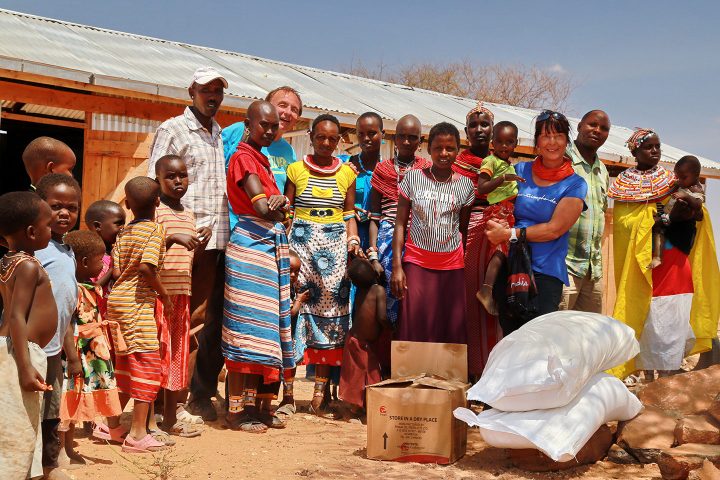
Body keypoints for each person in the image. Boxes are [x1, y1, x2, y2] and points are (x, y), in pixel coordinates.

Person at [148, 66, 229, 421]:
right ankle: (150, 396)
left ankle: (179, 399)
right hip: (179, 237)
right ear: (191, 92)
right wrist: (172, 228)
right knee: (166, 313)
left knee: (197, 317)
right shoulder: (173, 128)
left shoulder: (219, 133)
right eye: (206, 89)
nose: (213, 96)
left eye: (218, 91)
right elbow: (155, 181)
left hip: (212, 240)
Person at [609, 130, 719, 382]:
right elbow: (626, 226)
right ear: (635, 151)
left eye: (658, 146)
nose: (655, 151)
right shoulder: (624, 188)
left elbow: (699, 215)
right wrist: (656, 220)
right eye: (649, 147)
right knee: (645, 321)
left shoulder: (675, 181)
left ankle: (667, 381)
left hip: (674, 266)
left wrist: (683, 215)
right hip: (642, 269)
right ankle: (646, 379)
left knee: (671, 322)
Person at [222, 87, 302, 413]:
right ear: (247, 124)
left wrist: (280, 206)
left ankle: (259, 407)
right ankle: (238, 411)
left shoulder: (262, 160)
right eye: (263, 125)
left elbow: (279, 209)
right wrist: (280, 205)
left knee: (265, 329)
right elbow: (265, 209)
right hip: (250, 249)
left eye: (273, 127)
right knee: (246, 329)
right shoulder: (243, 158)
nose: (269, 131)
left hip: (267, 248)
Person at [286, 113, 360, 416]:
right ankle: (286, 397)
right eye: (321, 137)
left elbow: (348, 214)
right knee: (293, 315)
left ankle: (319, 395)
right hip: (300, 251)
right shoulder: (295, 170)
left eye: (333, 138)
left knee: (332, 320)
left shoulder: (347, 174)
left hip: (334, 253)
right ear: (311, 135)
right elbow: (288, 214)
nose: (327, 143)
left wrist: (353, 242)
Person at [486, 110, 587, 326]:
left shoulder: (575, 184)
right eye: (545, 136)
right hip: (511, 269)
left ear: (566, 141)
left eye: (558, 136)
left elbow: (554, 229)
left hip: (545, 275)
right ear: (537, 141)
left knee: (537, 345)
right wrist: (498, 222)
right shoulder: (519, 170)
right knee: (510, 341)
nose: (552, 142)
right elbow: (500, 203)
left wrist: (509, 233)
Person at [391, 122, 475, 344]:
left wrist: (458, 259)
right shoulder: (412, 178)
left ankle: (446, 376)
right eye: (438, 148)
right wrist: (397, 267)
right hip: (416, 261)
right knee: (414, 321)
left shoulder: (466, 186)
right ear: (429, 149)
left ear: (458, 150)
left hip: (451, 265)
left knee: (449, 323)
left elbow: (462, 230)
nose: (444, 154)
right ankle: (411, 375)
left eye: (450, 148)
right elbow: (400, 224)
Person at [107, 176, 170, 453]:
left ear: (128, 204)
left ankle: (110, 425)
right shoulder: (155, 231)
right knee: (146, 363)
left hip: (117, 301)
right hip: (137, 304)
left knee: (124, 362)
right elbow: (146, 268)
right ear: (158, 201)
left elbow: (118, 272)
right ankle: (136, 434)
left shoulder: (124, 233)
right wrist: (164, 295)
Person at [154, 154, 211, 437]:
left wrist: (201, 242)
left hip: (181, 294)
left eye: (182, 175)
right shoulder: (154, 212)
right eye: (170, 176)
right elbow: (144, 250)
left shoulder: (188, 215)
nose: (178, 181)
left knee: (175, 355)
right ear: (158, 180)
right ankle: (148, 419)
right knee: (155, 354)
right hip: (156, 295)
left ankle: (169, 418)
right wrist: (172, 238)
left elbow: (187, 257)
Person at [0, 192, 54, 479]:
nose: (52, 228)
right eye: (48, 224)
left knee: (22, 425)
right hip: (21, 354)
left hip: (14, 350)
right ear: (32, 232)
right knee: (19, 429)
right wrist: (24, 367)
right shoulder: (29, 266)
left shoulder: (9, 261)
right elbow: (17, 316)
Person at [58, 230, 123, 464]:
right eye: (100, 261)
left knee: (76, 402)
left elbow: (97, 283)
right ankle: (60, 450)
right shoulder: (72, 290)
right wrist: (74, 358)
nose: (103, 267)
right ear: (84, 262)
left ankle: (69, 448)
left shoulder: (84, 284)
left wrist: (113, 263)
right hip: (76, 355)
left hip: (89, 353)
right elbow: (66, 324)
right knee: (68, 402)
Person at [34, 174, 81, 480]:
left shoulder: (68, 251)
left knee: (52, 410)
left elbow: (66, 309)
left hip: (54, 350)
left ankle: (49, 466)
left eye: (72, 207)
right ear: (40, 207)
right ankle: (28, 465)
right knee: (29, 409)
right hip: (30, 348)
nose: (64, 213)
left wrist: (72, 354)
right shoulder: (35, 251)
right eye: (55, 206)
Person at [451, 103, 502, 378]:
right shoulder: (457, 164)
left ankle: (492, 375)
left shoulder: (501, 162)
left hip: (498, 235)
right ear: (466, 131)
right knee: (469, 304)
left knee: (494, 305)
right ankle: (469, 374)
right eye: (474, 125)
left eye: (485, 125)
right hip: (466, 235)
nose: (479, 130)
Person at [368, 115, 430, 328]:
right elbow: (375, 217)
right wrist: (374, 254)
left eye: (412, 138)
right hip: (387, 239)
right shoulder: (382, 170)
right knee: (389, 298)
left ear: (420, 142)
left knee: (418, 297)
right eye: (401, 136)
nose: (405, 142)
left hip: (420, 239)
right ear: (394, 138)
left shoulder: (428, 171)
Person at [559, 110, 611, 313]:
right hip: (564, 265)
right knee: (556, 332)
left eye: (604, 128)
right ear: (580, 126)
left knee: (589, 337)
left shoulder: (603, 171)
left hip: (592, 271)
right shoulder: (561, 159)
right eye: (592, 125)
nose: (597, 130)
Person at [475, 121, 523, 317]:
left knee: (506, 251)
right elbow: (482, 188)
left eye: (509, 142)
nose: (504, 146)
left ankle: (498, 292)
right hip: (498, 209)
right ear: (492, 142)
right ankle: (486, 290)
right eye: (500, 142)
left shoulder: (509, 166)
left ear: (515, 144)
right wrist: (502, 179)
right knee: (501, 250)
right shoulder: (490, 162)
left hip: (509, 210)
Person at [338, 257, 388, 415]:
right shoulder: (378, 290)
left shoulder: (361, 291)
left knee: (356, 375)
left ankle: (356, 406)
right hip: (364, 343)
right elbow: (381, 317)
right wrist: (391, 327)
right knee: (371, 374)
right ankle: (370, 408)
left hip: (354, 338)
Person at [648, 155, 705, 269]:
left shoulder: (696, 189)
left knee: (660, 228)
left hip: (680, 233)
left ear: (696, 176)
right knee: (657, 230)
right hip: (668, 217)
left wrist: (686, 196)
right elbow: (669, 191)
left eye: (683, 178)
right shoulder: (682, 183)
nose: (680, 181)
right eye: (678, 177)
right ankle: (657, 257)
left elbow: (698, 206)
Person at [274, 250, 310, 419]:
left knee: (290, 367)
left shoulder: (290, 288)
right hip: (280, 338)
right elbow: (290, 313)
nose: (294, 275)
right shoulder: (282, 289)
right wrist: (299, 301)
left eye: (297, 271)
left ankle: (288, 398)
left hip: (288, 338)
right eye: (290, 271)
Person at [84, 200, 126, 318]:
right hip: (96, 316)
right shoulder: (90, 256)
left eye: (124, 223)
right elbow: (91, 288)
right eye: (118, 224)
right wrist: (112, 269)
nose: (123, 228)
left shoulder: (116, 252)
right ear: (98, 226)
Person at [348, 112, 384, 248]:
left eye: (371, 133)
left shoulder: (389, 170)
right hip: (350, 236)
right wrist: (348, 208)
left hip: (378, 238)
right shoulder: (346, 165)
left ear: (383, 134)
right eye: (361, 134)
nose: (366, 138)